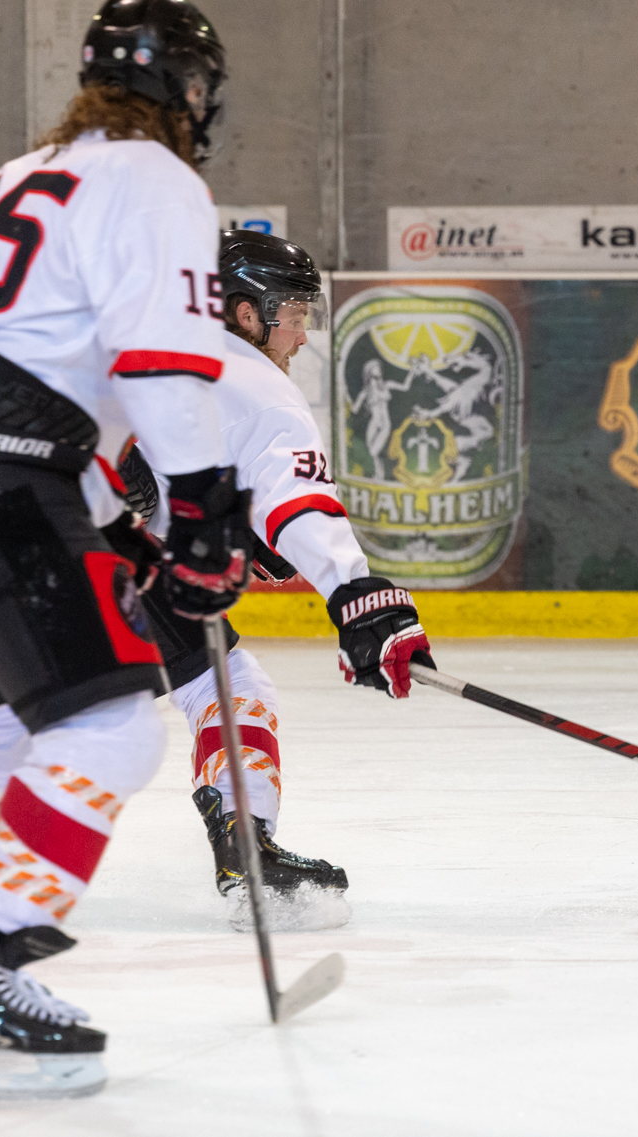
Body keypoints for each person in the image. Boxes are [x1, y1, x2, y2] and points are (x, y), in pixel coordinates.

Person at [0, 0, 249, 1098]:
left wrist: (114, 521)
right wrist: (202, 515)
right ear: (186, 89)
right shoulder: (156, 179)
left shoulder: (19, 174)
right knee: (111, 725)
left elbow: (3, 349)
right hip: (3, 481)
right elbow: (158, 359)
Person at [117, 229, 435, 930]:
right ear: (245, 312)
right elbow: (300, 501)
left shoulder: (145, 344)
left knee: (0, 717)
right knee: (228, 686)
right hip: (93, 555)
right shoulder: (254, 383)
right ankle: (247, 853)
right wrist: (357, 594)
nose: (299, 334)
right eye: (291, 313)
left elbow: (139, 474)